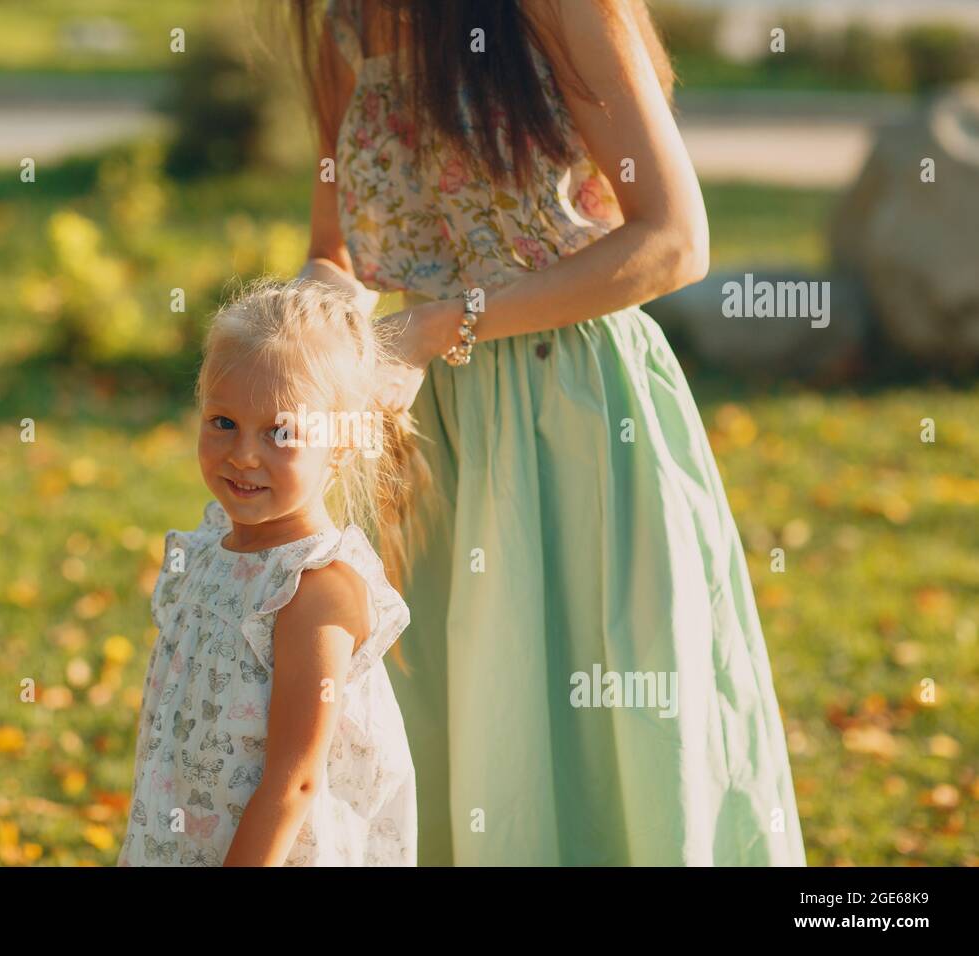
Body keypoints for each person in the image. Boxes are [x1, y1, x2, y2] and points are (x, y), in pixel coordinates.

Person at [291, 0, 807, 865]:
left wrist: (440, 324)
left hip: (575, 410)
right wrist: (288, 342)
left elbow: (674, 239)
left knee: (597, 733)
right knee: (448, 726)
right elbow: (333, 253)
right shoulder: (350, 21)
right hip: (421, 432)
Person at [118, 277, 419, 865]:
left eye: (280, 432)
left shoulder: (313, 588)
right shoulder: (209, 547)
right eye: (223, 422)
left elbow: (295, 778)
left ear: (339, 446)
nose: (243, 454)